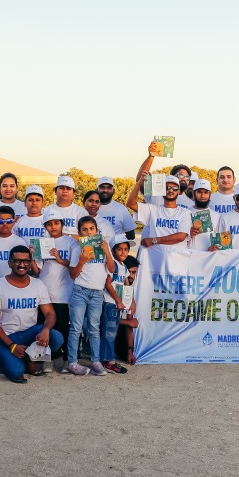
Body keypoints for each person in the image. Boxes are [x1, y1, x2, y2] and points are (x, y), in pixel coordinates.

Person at [0, 245, 66, 383]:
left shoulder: (38, 284)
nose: (22, 265)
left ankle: (30, 358)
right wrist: (11, 346)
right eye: (17, 261)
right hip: (5, 337)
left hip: (29, 334)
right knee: (16, 372)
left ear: (30, 262)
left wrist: (46, 329)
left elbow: (50, 314)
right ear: (9, 263)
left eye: (26, 261)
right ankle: (6, 359)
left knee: (56, 338)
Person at [66, 216, 117, 376]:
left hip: (97, 293)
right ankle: (72, 362)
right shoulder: (77, 249)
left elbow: (112, 269)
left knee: (94, 329)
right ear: (80, 233)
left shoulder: (103, 247)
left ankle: (96, 361)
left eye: (91, 229)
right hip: (80, 291)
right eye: (84, 230)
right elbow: (73, 275)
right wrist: (81, 261)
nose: (89, 232)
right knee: (75, 328)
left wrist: (107, 250)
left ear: (97, 230)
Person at [126, 147, 192, 248]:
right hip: (150, 251)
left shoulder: (190, 205)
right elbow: (140, 179)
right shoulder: (157, 193)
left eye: (187, 177)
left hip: (175, 253)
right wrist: (151, 156)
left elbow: (184, 234)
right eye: (180, 175)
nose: (184, 179)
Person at [35, 209, 79, 360]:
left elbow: (76, 268)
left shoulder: (71, 242)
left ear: (62, 224)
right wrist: (33, 256)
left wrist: (60, 259)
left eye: (56, 223)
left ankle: (68, 357)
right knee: (44, 324)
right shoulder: (42, 243)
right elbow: (36, 270)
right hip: (44, 291)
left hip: (63, 293)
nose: (53, 227)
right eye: (49, 224)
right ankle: (46, 356)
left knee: (63, 325)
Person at [100, 234, 132, 374]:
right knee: (109, 333)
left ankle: (106, 358)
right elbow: (108, 284)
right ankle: (109, 361)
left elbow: (126, 285)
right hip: (110, 303)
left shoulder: (124, 267)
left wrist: (128, 300)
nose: (123, 252)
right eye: (119, 249)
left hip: (117, 304)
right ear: (112, 251)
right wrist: (118, 300)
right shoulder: (112, 264)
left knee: (111, 332)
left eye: (126, 249)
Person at [0, 207, 33, 287]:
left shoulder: (20, 241)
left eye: (9, 221)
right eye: (0, 221)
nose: (5, 224)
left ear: (13, 222)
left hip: (16, 287)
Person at [187, 179, 221, 251]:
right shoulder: (185, 213)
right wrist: (188, 234)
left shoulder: (217, 216)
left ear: (210, 194)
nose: (202, 196)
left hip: (209, 258)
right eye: (199, 192)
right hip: (191, 258)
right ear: (194, 193)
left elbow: (220, 242)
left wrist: (215, 247)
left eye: (205, 192)